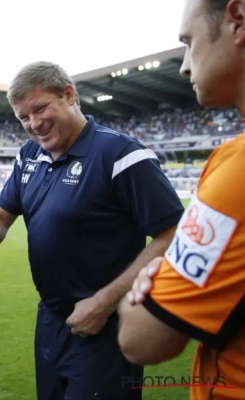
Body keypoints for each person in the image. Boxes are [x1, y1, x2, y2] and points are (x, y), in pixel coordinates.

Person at [0, 61, 185, 400]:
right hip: (51, 322)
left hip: (107, 326)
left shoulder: (122, 155)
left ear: (69, 95)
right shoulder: (29, 155)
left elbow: (173, 235)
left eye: (40, 109)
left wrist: (102, 304)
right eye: (23, 117)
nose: (34, 124)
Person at [118, 0, 245, 399]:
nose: (185, 67)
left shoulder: (237, 170)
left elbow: (141, 340)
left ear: (238, 20)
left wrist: (150, 279)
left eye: (189, 42)